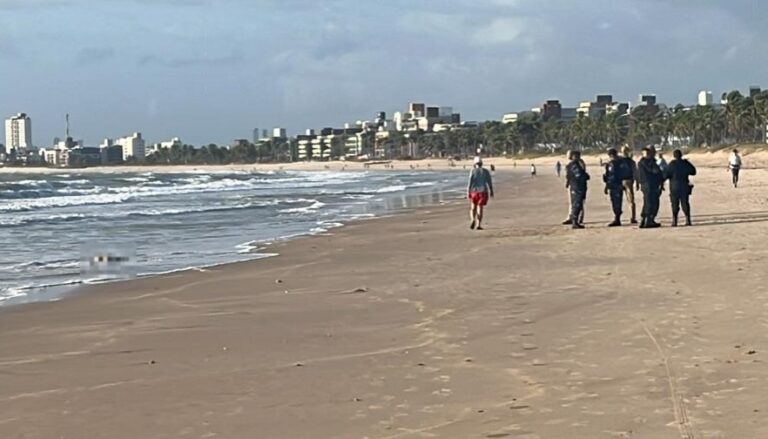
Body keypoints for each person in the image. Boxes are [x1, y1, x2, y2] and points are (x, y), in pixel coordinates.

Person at [664, 149, 697, 227]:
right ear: (681, 155)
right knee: (685, 203)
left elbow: (665, 175)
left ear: (674, 156)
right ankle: (688, 220)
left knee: (674, 204)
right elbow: (693, 172)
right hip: (684, 185)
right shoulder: (685, 163)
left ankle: (674, 221)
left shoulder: (672, 164)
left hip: (674, 187)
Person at [636, 146, 664, 228]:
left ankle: (645, 220)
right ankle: (648, 220)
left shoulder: (643, 162)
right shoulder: (646, 162)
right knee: (651, 202)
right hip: (650, 185)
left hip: (647, 185)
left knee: (647, 202)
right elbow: (655, 171)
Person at [603, 148, 631, 227]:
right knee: (614, 202)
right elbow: (607, 176)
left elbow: (624, 174)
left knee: (617, 202)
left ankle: (617, 218)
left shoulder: (620, 163)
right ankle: (616, 217)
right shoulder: (610, 164)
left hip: (617, 185)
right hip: (612, 185)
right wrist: (606, 186)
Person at [467, 156, 494, 230]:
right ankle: (478, 225)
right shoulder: (485, 171)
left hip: (474, 192)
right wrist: (491, 190)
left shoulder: (473, 171)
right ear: (481, 163)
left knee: (473, 207)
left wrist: (468, 191)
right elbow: (489, 182)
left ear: (474, 164)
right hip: (483, 192)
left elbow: (470, 182)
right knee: (480, 208)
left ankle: (472, 219)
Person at [565, 150, 590, 229]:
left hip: (576, 186)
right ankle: (575, 221)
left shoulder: (572, 164)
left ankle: (575, 220)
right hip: (577, 186)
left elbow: (569, 176)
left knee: (576, 203)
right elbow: (579, 175)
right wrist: (586, 176)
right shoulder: (575, 165)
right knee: (577, 204)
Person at [621, 146, 638, 224]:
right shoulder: (631, 162)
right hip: (629, 180)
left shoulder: (619, 161)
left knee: (619, 200)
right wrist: (637, 182)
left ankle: (618, 217)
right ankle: (632, 217)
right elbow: (635, 172)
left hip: (620, 181)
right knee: (631, 200)